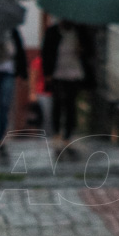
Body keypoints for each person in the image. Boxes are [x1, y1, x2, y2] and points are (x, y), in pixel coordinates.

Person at [41, 19, 95, 152]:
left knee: (70, 103)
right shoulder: (52, 32)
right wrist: (47, 73)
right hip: (57, 72)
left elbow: (91, 51)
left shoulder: (80, 32)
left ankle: (68, 135)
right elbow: (46, 52)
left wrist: (82, 49)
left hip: (74, 72)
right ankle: (57, 132)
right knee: (57, 102)